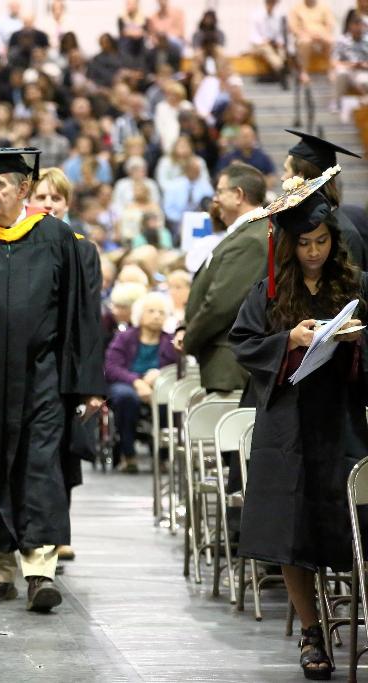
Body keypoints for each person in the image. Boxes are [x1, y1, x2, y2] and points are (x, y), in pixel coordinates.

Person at [0, 148, 104, 612]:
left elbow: (81, 315)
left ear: (23, 189)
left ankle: (40, 572)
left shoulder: (56, 238)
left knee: (39, 468)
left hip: (41, 377)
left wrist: (87, 384)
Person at [229, 182, 368, 681]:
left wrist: (353, 342)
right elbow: (243, 344)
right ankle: (312, 634)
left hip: (342, 420)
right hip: (287, 424)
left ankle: (356, 617)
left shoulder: (356, 286)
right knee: (293, 528)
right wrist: (289, 338)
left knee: (348, 519)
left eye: (321, 242)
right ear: (289, 244)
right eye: (304, 244)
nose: (313, 253)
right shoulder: (268, 290)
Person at [30, 166, 102, 561]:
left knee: (66, 452)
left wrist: (90, 379)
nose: (48, 204)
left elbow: (89, 315)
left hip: (67, 363)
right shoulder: (21, 243)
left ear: (67, 203)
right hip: (32, 362)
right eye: (41, 196)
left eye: (55, 198)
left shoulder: (82, 248)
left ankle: (60, 532)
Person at [176, 163, 268, 396]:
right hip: (226, 360)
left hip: (230, 362)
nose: (215, 200)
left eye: (219, 192)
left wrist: (189, 338)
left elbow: (220, 304)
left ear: (238, 195)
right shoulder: (247, 233)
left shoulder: (251, 239)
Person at [104, 292, 178, 472]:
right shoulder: (125, 337)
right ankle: (128, 454)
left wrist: (158, 375)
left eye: (161, 312)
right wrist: (137, 382)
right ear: (139, 314)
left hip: (158, 386)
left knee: (166, 399)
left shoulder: (170, 341)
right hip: (127, 384)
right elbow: (112, 367)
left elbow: (178, 368)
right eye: (151, 311)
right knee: (126, 398)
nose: (156, 315)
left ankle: (161, 456)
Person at [282, 130, 368, 271]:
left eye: (286, 170)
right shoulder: (297, 223)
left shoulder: (345, 233)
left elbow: (350, 289)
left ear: (301, 177)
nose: (283, 178)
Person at [289, 0, 335, 86]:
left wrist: (322, 34)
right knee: (305, 42)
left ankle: (330, 70)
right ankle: (304, 72)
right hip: (304, 36)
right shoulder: (296, 8)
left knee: (330, 41)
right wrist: (307, 35)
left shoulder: (324, 7)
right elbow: (293, 27)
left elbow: (330, 24)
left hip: (321, 35)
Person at [251, 0, 288, 86]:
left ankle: (280, 70)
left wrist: (279, 41)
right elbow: (253, 35)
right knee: (267, 49)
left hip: (273, 43)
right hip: (259, 44)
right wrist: (263, 41)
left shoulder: (279, 15)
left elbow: (279, 34)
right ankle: (281, 68)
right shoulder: (256, 14)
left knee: (282, 50)